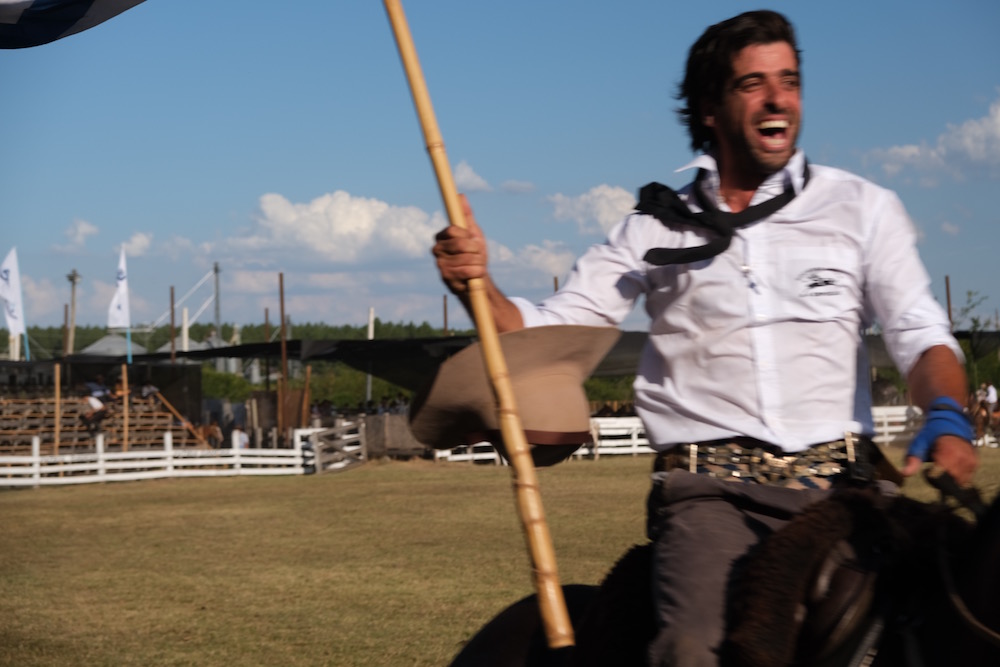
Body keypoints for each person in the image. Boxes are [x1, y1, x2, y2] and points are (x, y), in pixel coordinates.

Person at [431, 10, 977, 666]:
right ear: (709, 109)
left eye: (790, 80)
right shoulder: (653, 227)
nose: (779, 98)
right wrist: (478, 286)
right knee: (693, 649)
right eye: (753, 84)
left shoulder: (863, 208)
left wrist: (945, 411)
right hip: (710, 497)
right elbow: (545, 333)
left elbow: (920, 333)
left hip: (846, 492)